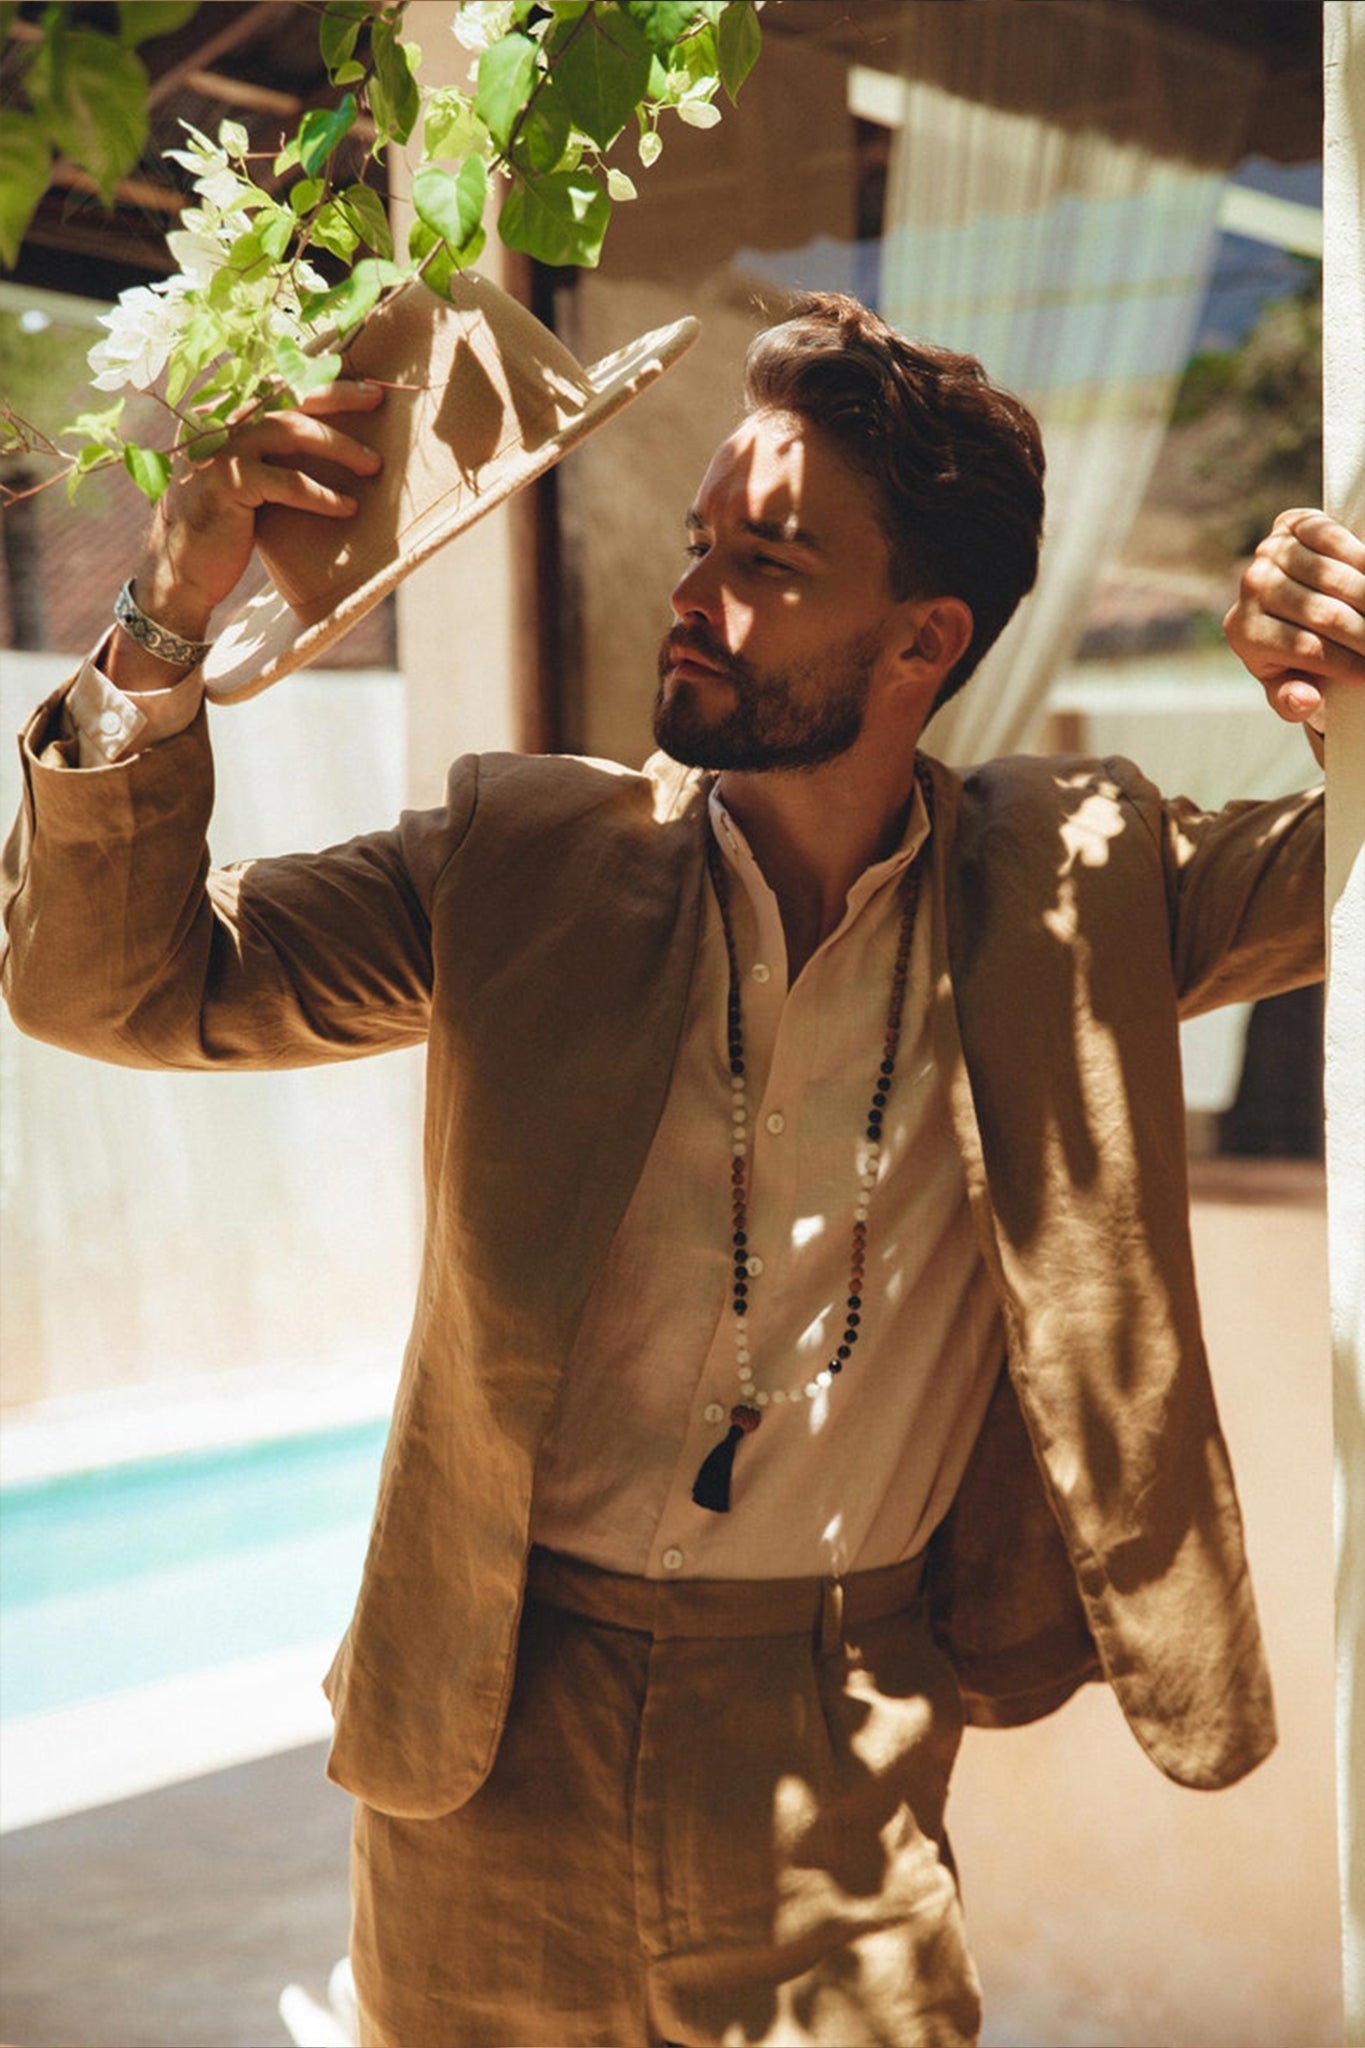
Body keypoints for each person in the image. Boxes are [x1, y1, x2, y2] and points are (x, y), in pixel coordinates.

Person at [3, 292, 1363, 2048]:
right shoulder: (523, 856)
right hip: (492, 1737)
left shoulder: (1073, 883)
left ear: (919, 643)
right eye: (704, 536)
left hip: (840, 1745)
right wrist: (162, 619)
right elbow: (111, 983)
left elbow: (1346, 860)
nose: (694, 587)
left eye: (771, 559)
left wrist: (1347, 676)